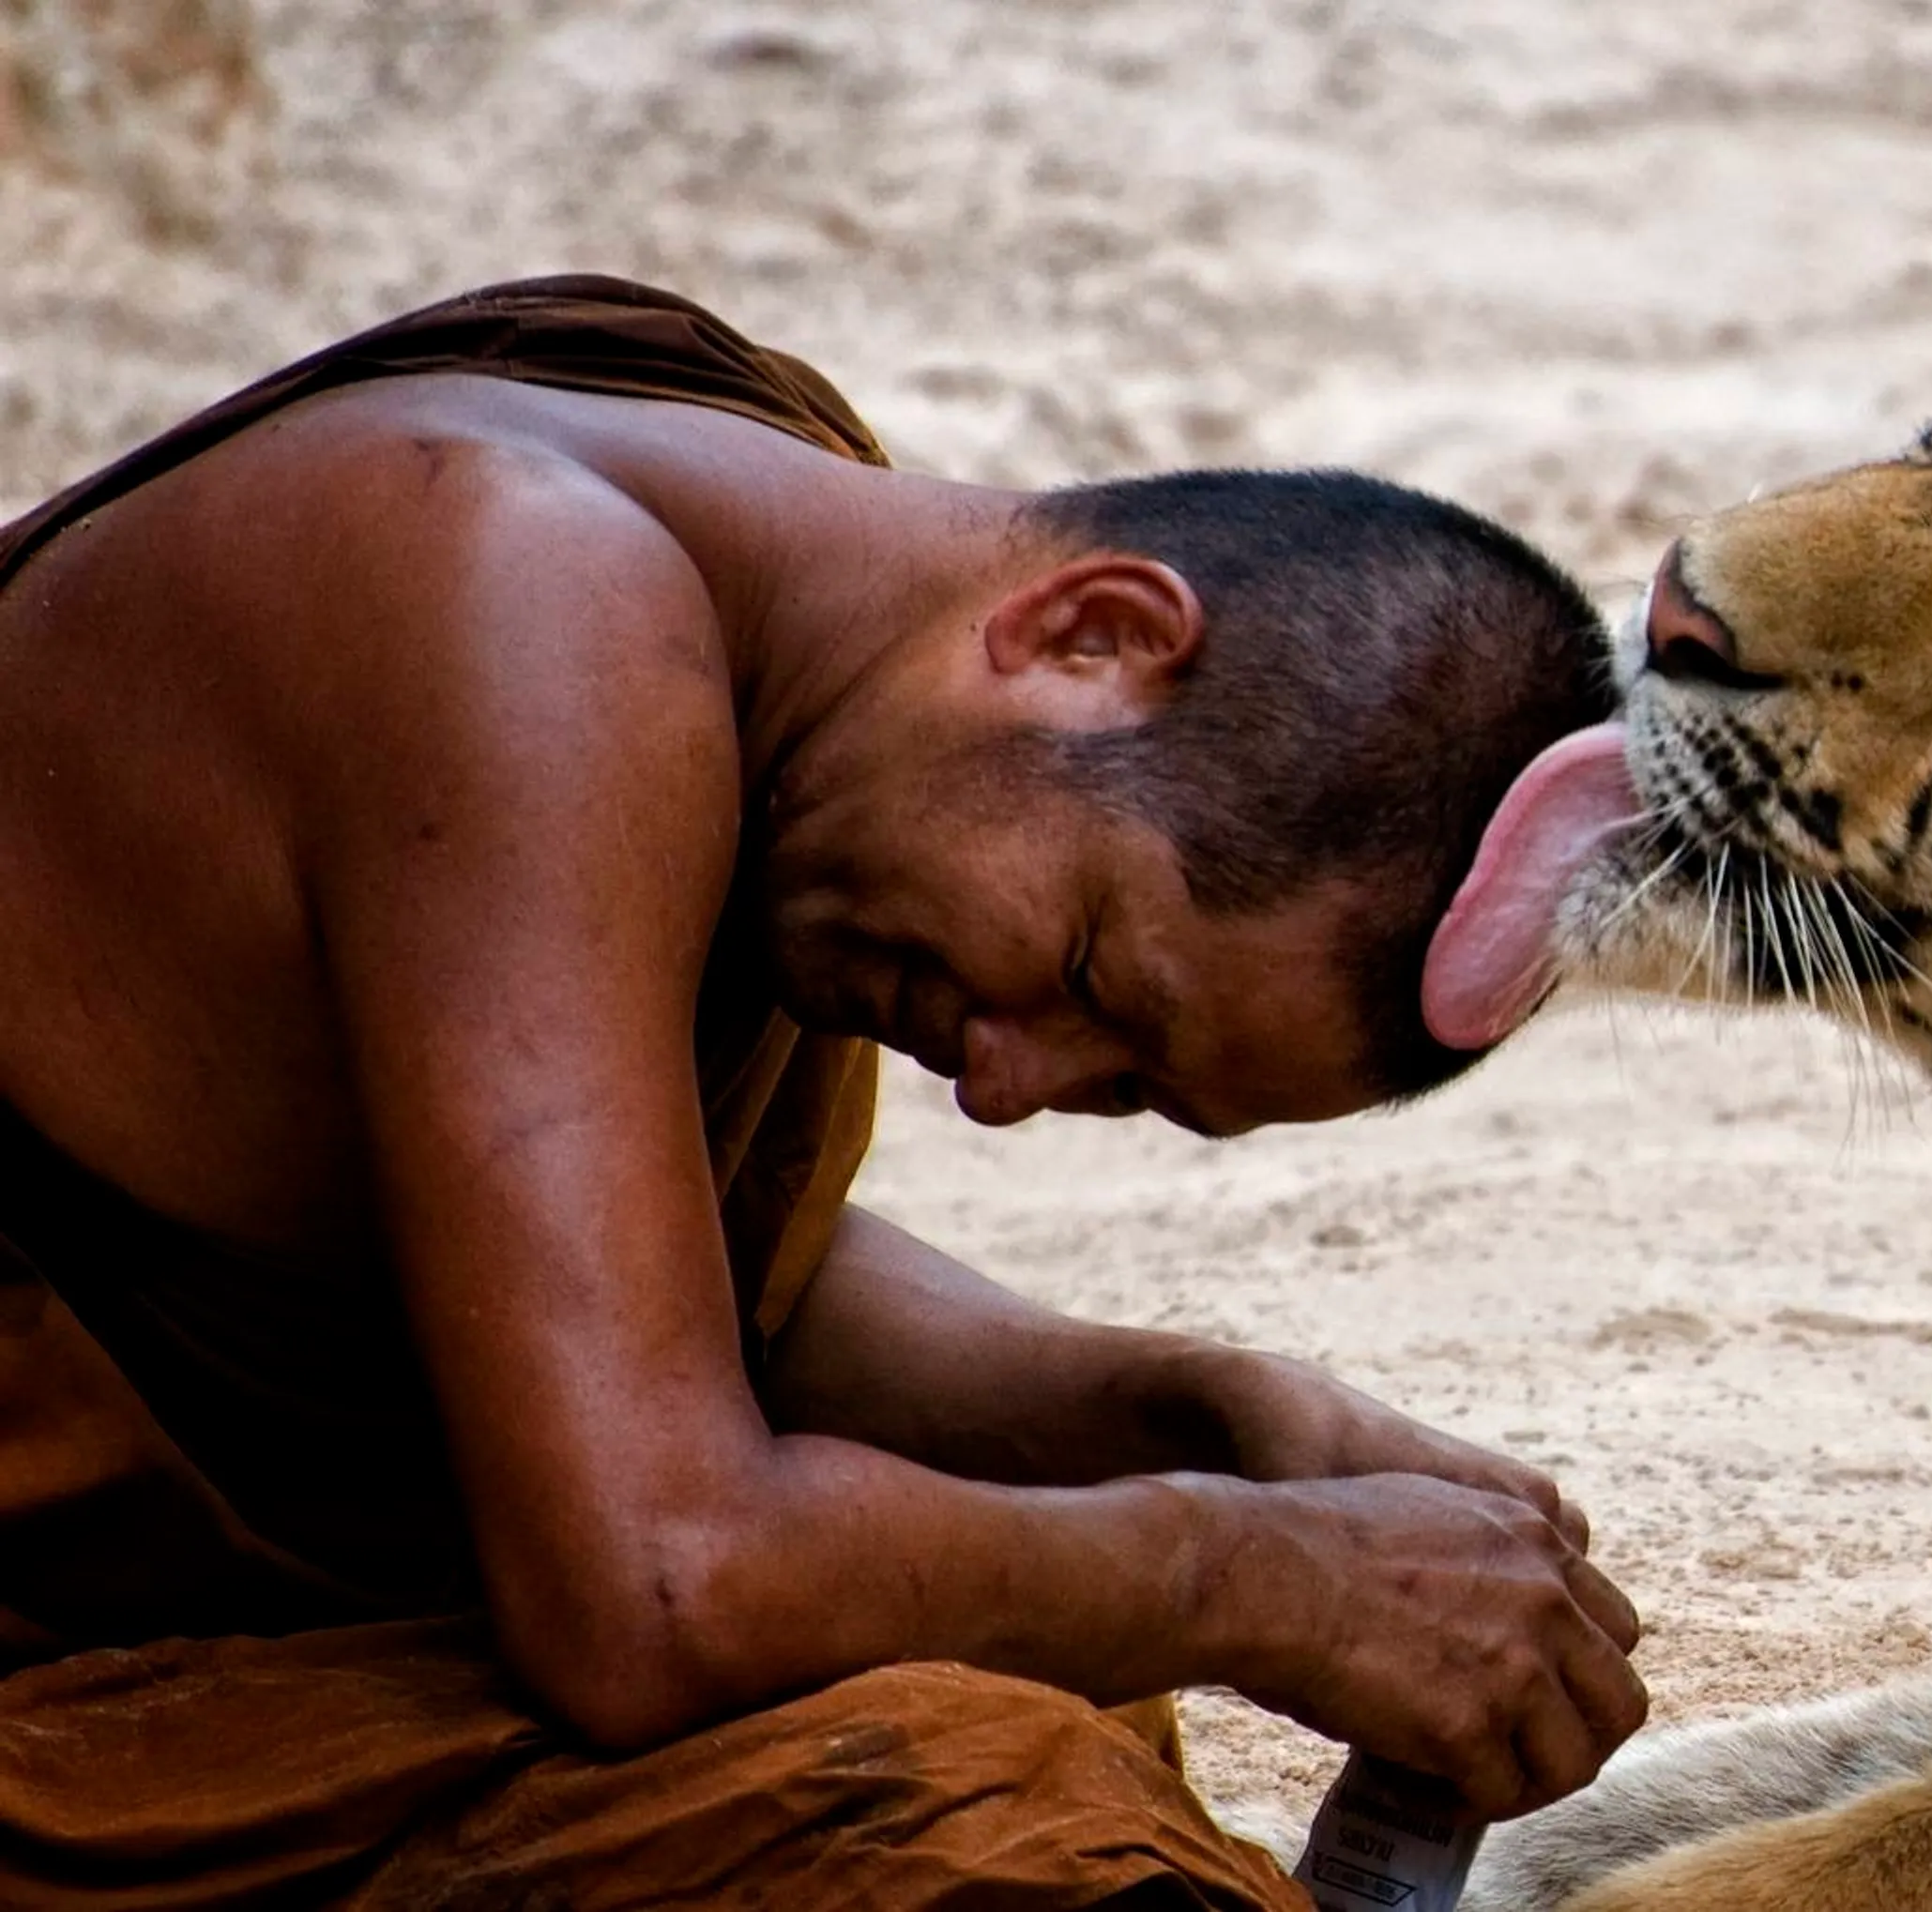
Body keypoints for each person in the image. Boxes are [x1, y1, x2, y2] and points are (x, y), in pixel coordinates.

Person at [0, 276, 1641, 1909]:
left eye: (1124, 1091)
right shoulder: (523, 595)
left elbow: (624, 1254)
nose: (1002, 1087)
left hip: (278, 1627)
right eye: (1086, 975)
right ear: (1093, 637)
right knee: (985, 1814)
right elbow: (656, 1593)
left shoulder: (792, 593)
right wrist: (1265, 1573)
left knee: (998, 1681)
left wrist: (1194, 1416)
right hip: (65, 1704)